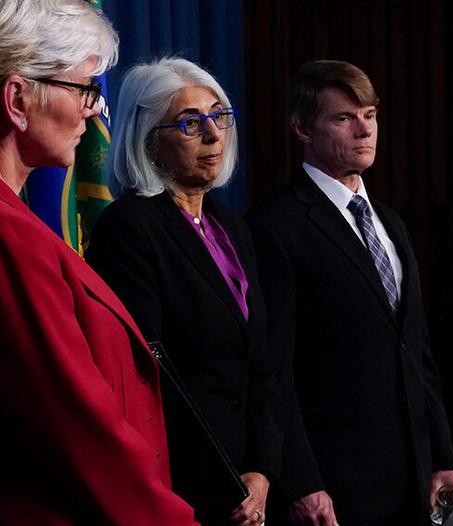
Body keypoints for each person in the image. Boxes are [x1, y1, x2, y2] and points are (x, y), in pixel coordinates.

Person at [247, 60, 453, 526]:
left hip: (414, 483)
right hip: (335, 487)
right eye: (344, 118)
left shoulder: (390, 222)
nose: (363, 129)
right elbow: (275, 371)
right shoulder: (276, 227)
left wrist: (442, 458)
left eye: (369, 115)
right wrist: (302, 479)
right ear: (302, 129)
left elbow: (417, 354)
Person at [0, 1, 197, 523]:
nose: (94, 108)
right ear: (17, 99)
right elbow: (80, 429)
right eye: (85, 87)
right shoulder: (8, 239)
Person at [86, 57, 282, 526]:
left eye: (219, 115)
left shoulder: (232, 227)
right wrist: (225, 483)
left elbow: (261, 363)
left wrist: (261, 470)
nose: (214, 134)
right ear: (149, 139)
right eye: (191, 123)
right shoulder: (130, 229)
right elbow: (149, 375)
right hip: (183, 484)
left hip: (248, 482)